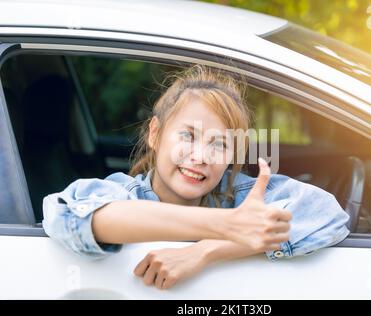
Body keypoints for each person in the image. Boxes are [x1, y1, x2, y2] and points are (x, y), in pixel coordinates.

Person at [42, 65, 350, 290]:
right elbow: (69, 215)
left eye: (220, 144)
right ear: (155, 133)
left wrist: (205, 251)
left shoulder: (239, 196)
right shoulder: (128, 194)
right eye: (189, 136)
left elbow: (329, 215)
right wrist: (230, 227)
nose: (201, 156)